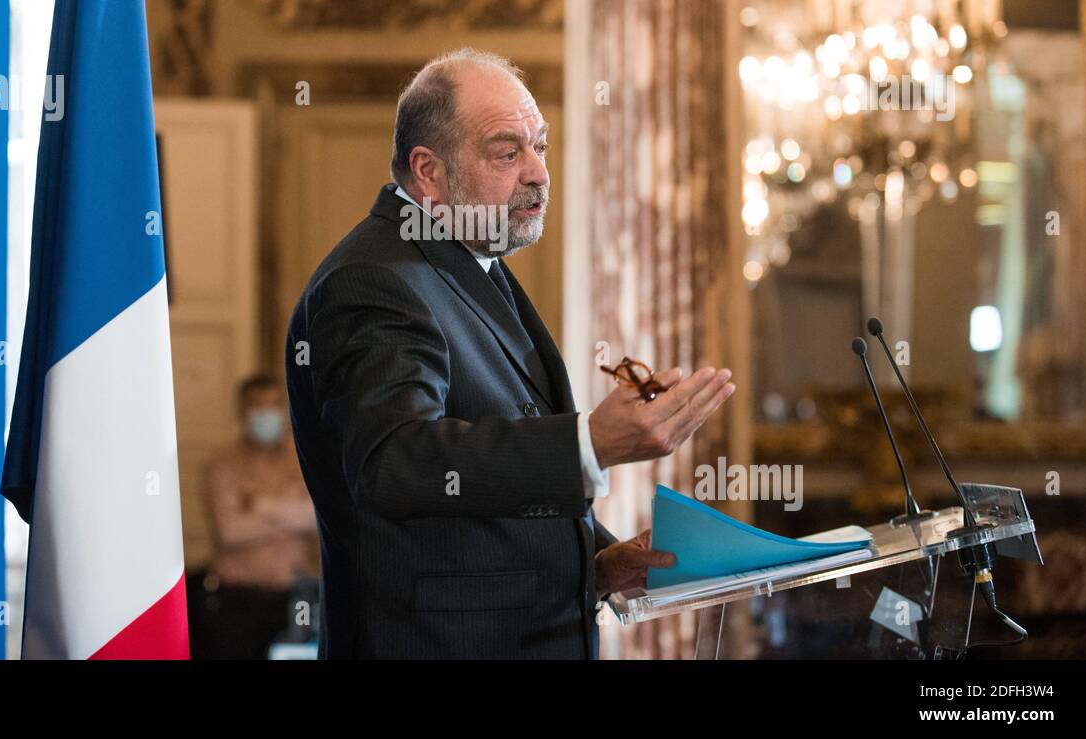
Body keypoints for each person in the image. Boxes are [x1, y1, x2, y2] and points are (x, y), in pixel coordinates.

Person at [285, 48, 735, 658]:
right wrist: (588, 443)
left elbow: (478, 503)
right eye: (507, 152)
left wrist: (597, 562)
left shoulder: (462, 262)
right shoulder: (375, 280)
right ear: (430, 172)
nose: (539, 174)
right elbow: (394, 462)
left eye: (540, 147)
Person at [203, 375, 320, 658]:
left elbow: (317, 517)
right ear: (241, 411)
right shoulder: (222, 465)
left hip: (299, 598)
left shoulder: (305, 457)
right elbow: (231, 532)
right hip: (239, 600)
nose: (266, 413)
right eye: (257, 406)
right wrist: (292, 510)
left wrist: (259, 505)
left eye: (273, 405)